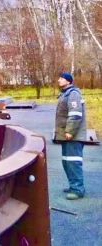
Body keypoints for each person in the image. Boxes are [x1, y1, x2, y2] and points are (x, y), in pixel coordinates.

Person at [55, 72, 87, 200]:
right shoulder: (65, 93)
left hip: (72, 135)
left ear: (68, 81)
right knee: (67, 162)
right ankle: (73, 185)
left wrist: (70, 131)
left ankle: (78, 189)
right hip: (66, 135)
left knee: (73, 163)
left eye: (61, 79)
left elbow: (75, 115)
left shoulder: (73, 94)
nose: (59, 80)